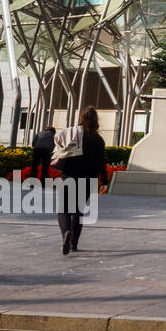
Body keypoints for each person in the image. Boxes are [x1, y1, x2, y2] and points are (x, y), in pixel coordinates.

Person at [54, 107, 106, 255]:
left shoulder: (73, 135)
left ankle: (66, 232)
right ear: (96, 120)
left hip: (68, 176)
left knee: (63, 209)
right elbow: (101, 162)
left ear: (81, 118)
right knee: (78, 211)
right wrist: (105, 181)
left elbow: (58, 144)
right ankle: (73, 244)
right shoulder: (98, 140)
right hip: (88, 178)